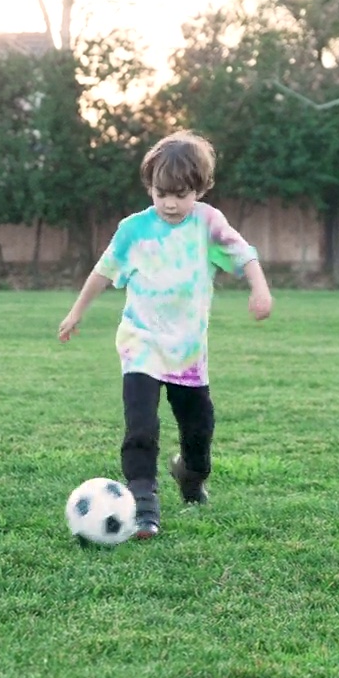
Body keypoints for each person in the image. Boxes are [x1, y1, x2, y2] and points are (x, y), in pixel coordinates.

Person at [58, 130, 273, 540]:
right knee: (140, 426)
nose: (171, 203)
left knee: (199, 430)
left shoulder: (209, 222)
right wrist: (76, 312)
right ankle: (144, 507)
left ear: (201, 188)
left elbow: (243, 253)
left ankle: (190, 477)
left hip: (188, 353)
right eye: (161, 194)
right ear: (149, 188)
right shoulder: (134, 229)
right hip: (141, 343)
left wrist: (259, 289)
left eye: (182, 194)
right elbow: (103, 272)